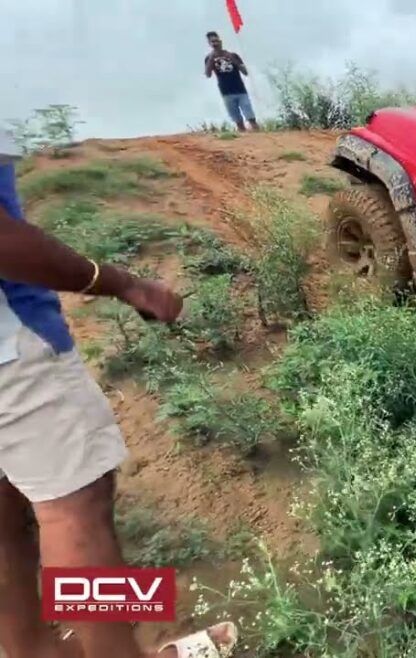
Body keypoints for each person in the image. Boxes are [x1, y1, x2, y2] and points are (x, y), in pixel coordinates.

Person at [0, 132, 237, 657]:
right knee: (75, 510)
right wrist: (121, 282)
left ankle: (31, 650)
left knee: (6, 514)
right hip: (11, 347)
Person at [204, 30, 258, 132]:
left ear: (220, 41)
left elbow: (245, 72)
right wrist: (212, 57)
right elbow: (208, 74)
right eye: (212, 42)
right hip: (226, 92)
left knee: (250, 117)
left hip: (240, 90)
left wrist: (233, 60)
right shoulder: (209, 58)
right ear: (209, 44)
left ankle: (260, 138)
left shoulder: (233, 55)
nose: (215, 44)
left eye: (216, 41)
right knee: (238, 121)